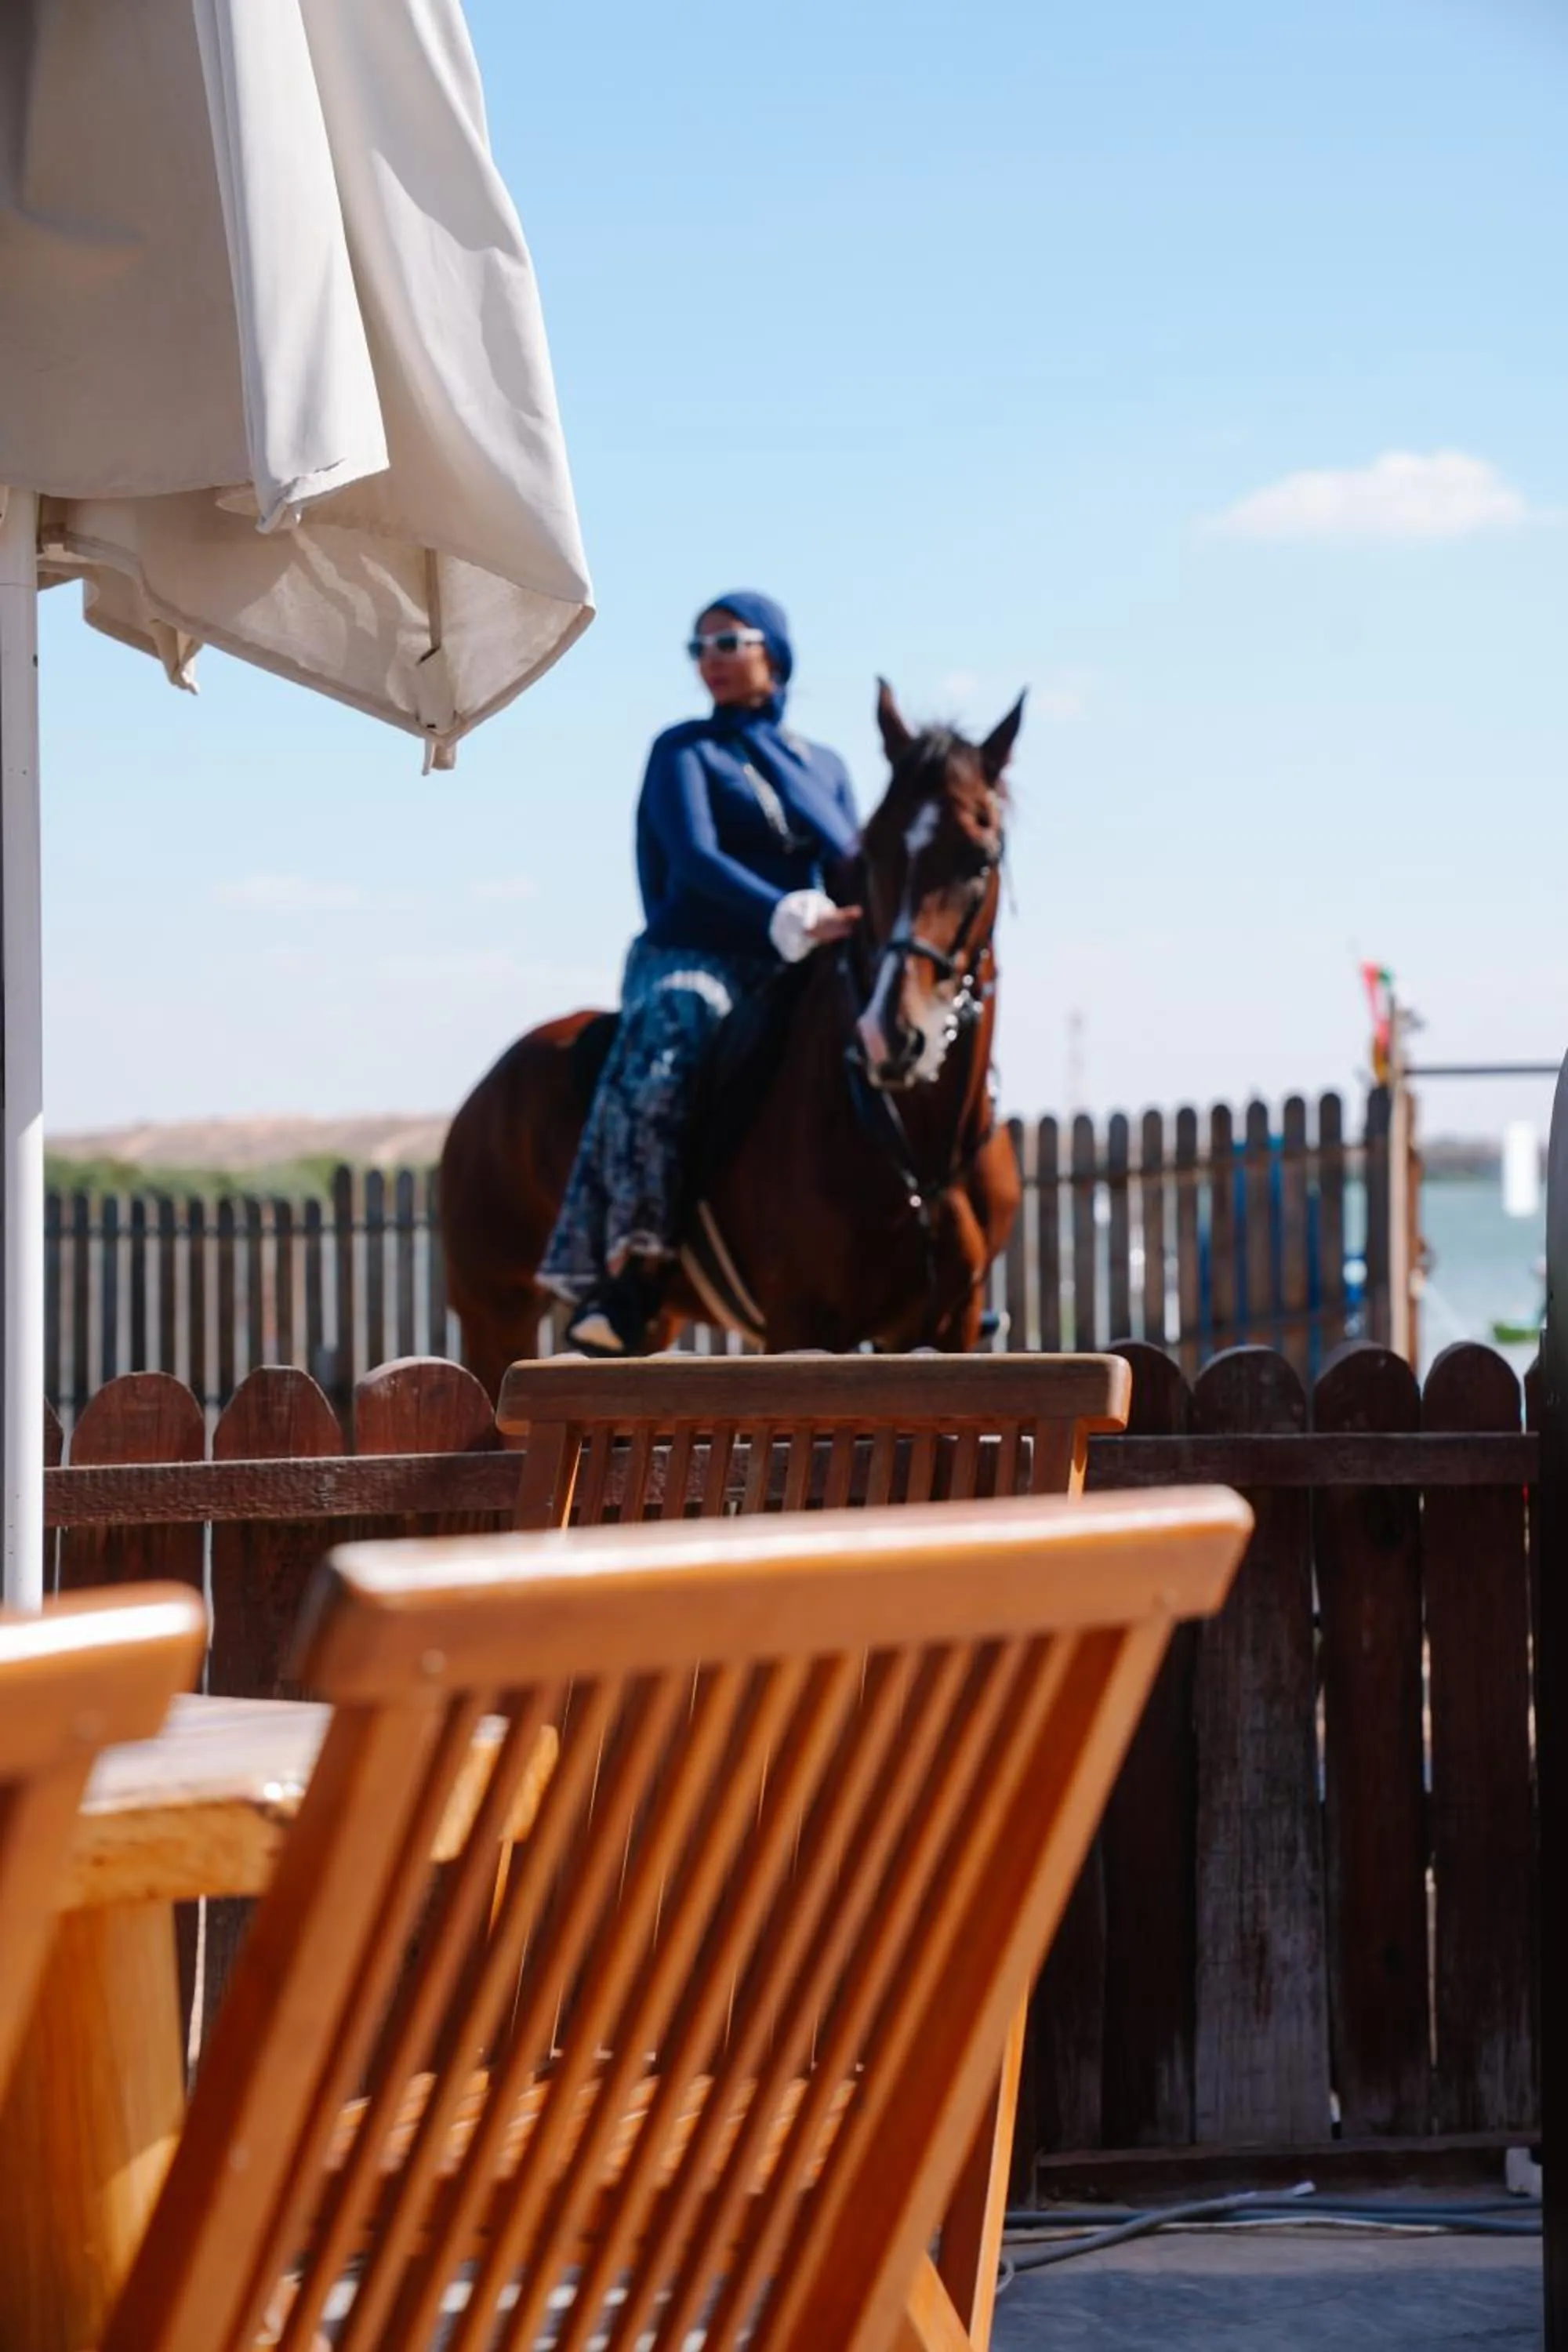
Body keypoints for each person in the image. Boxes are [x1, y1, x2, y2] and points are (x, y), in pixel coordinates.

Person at [539, 590, 861, 1353]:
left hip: (800, 963)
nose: (709, 659)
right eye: (699, 647)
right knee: (673, 1027)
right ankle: (632, 1270)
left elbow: (850, 865)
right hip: (695, 957)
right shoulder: (682, 750)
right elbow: (692, 859)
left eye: (728, 641)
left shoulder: (828, 766)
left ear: (772, 653)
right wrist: (783, 912)